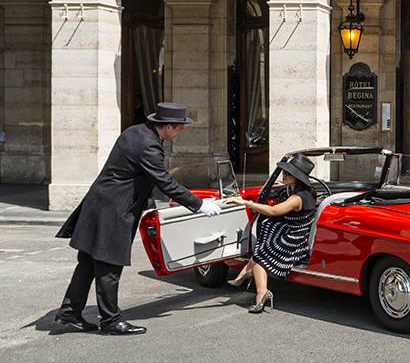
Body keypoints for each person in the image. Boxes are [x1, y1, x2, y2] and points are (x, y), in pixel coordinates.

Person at [54, 102, 222, 335]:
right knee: (108, 266)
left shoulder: (134, 132)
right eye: (180, 128)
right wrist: (200, 204)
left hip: (99, 203)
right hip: (113, 210)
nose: (180, 132)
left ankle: (69, 313)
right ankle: (111, 321)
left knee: (88, 263)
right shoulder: (148, 146)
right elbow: (165, 182)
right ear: (169, 126)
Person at [225, 153, 318, 313]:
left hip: (294, 241)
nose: (284, 174)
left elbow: (274, 210)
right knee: (267, 233)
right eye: (284, 171)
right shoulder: (305, 193)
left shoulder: (297, 198)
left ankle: (262, 292)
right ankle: (246, 273)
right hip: (296, 234)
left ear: (297, 177)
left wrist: (247, 202)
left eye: (288, 173)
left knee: (261, 256)